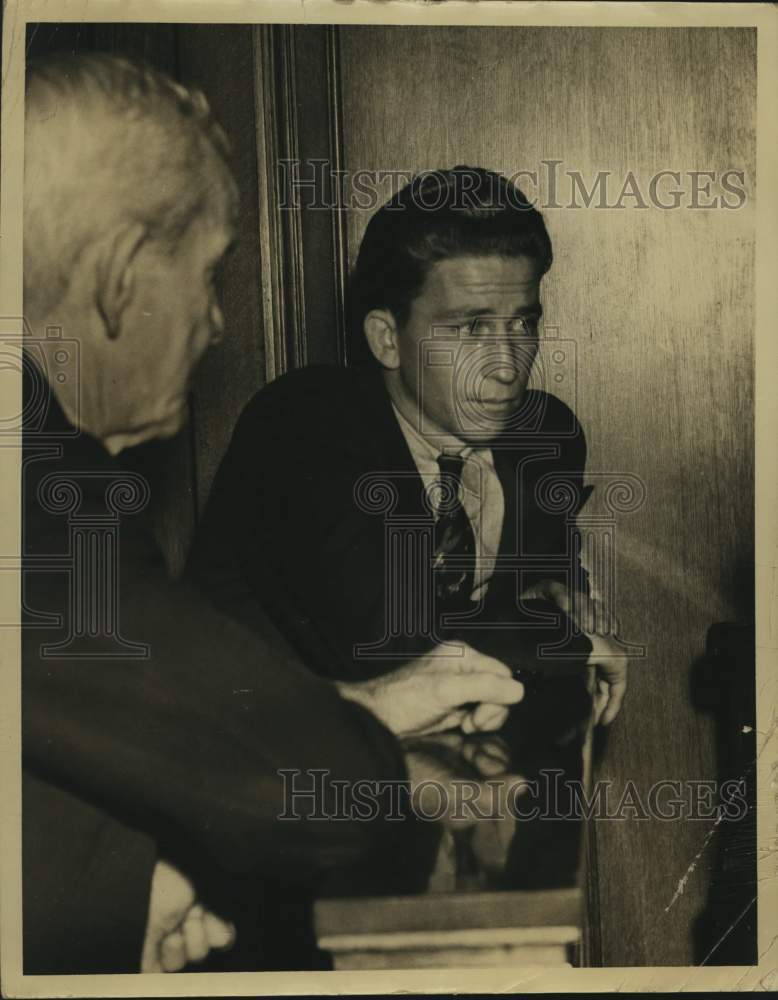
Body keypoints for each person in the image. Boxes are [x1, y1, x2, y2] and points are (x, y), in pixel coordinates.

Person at [21, 57, 526, 975]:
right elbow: (326, 797)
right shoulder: (35, 486)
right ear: (122, 276)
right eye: (210, 277)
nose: (216, 324)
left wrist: (127, 889)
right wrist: (356, 737)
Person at [188, 167, 629, 887]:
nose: (507, 363)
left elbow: (540, 608)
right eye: (469, 329)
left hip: (461, 805)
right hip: (263, 824)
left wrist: (562, 619)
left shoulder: (544, 437)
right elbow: (389, 642)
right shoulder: (306, 423)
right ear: (387, 339)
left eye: (524, 322)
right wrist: (567, 641)